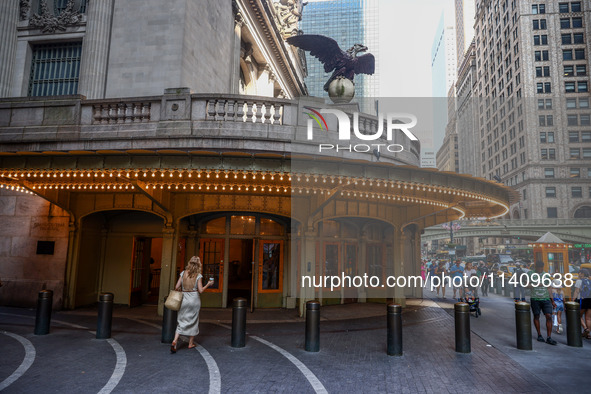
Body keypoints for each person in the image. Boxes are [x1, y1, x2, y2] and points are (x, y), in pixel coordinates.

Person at [171, 256, 214, 353]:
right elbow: (201, 290)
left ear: (189, 263)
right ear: (199, 264)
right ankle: (190, 343)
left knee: (181, 320)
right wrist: (208, 284)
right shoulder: (198, 275)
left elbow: (177, 286)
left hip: (184, 299)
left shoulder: (183, 273)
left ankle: (175, 341)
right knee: (194, 321)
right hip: (194, 299)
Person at [528, 261, 557, 345]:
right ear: (535, 268)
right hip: (535, 298)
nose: (540, 270)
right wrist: (537, 284)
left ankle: (549, 337)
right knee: (536, 316)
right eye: (538, 268)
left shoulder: (546, 275)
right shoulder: (530, 274)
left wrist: (552, 301)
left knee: (549, 316)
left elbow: (549, 288)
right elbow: (526, 284)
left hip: (546, 298)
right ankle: (539, 334)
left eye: (541, 268)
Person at [573, 268, 591, 339]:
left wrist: (573, 299)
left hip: (582, 300)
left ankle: (585, 328)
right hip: (590, 300)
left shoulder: (579, 281)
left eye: (579, 273)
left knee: (578, 316)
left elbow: (576, 291)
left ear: (582, 274)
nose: (578, 274)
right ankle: (588, 334)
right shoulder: (590, 281)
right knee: (588, 318)